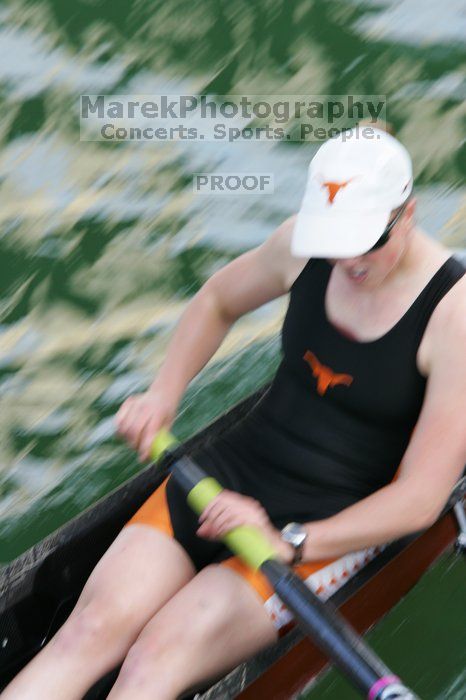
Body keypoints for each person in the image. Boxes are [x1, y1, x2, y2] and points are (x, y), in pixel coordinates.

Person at [2, 126, 465, 700]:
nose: (348, 259)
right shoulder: (303, 245)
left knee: (151, 664)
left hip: (327, 523)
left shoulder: (454, 316)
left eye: (366, 240)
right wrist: (162, 395)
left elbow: (421, 498)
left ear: (409, 214)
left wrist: (289, 541)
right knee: (86, 634)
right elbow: (218, 300)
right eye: (336, 240)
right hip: (222, 477)